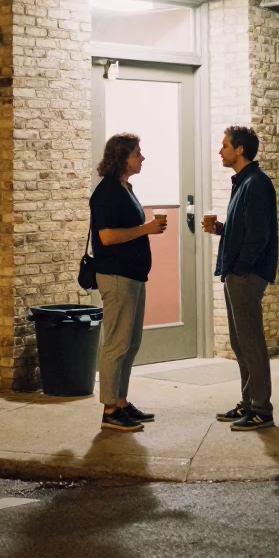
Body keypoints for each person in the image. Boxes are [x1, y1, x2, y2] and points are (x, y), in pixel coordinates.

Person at [202, 125, 278, 431]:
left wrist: (242, 267)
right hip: (236, 271)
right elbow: (246, 226)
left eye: (225, 145)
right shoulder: (244, 182)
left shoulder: (256, 182)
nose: (220, 151)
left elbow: (259, 234)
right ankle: (248, 402)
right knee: (239, 341)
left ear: (240, 150)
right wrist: (222, 229)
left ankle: (261, 409)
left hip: (246, 274)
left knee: (250, 342)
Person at [90, 132, 167, 432]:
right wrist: (146, 229)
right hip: (117, 277)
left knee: (131, 343)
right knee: (116, 343)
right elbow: (107, 237)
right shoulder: (107, 192)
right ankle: (110, 409)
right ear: (122, 157)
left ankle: (120, 401)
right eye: (137, 153)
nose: (142, 158)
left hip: (132, 276)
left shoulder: (125, 188)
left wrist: (145, 229)